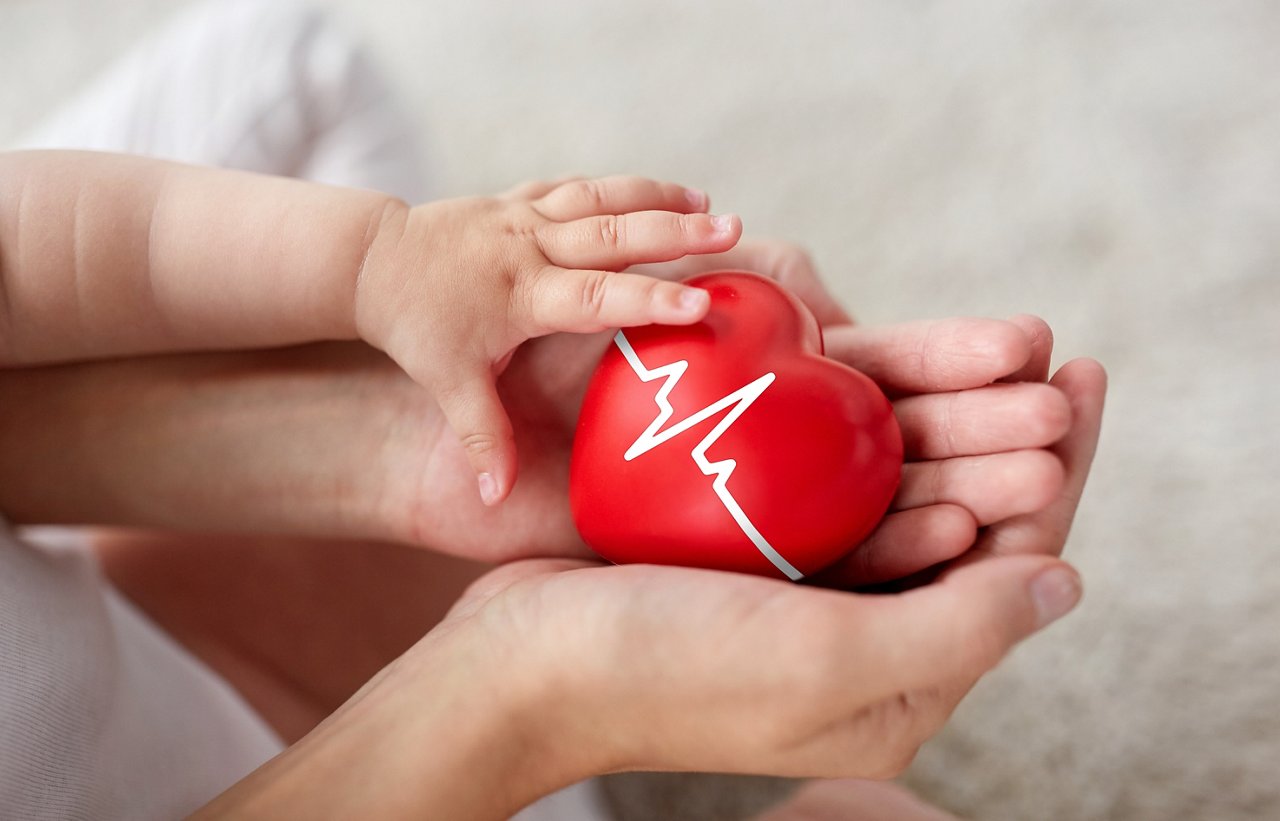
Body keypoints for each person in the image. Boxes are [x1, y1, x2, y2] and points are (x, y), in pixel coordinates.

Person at [0, 2, 1106, 818]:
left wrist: (370, 266)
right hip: (419, 775)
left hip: (141, 587)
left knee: (283, 67)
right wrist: (527, 697)